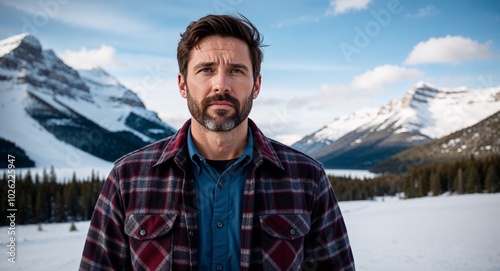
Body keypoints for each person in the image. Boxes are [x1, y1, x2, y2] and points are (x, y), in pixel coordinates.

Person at [80, 14, 355, 271]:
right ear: (183, 85)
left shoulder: (307, 178)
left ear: (256, 85)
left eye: (236, 70)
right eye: (206, 70)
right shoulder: (128, 177)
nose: (221, 85)